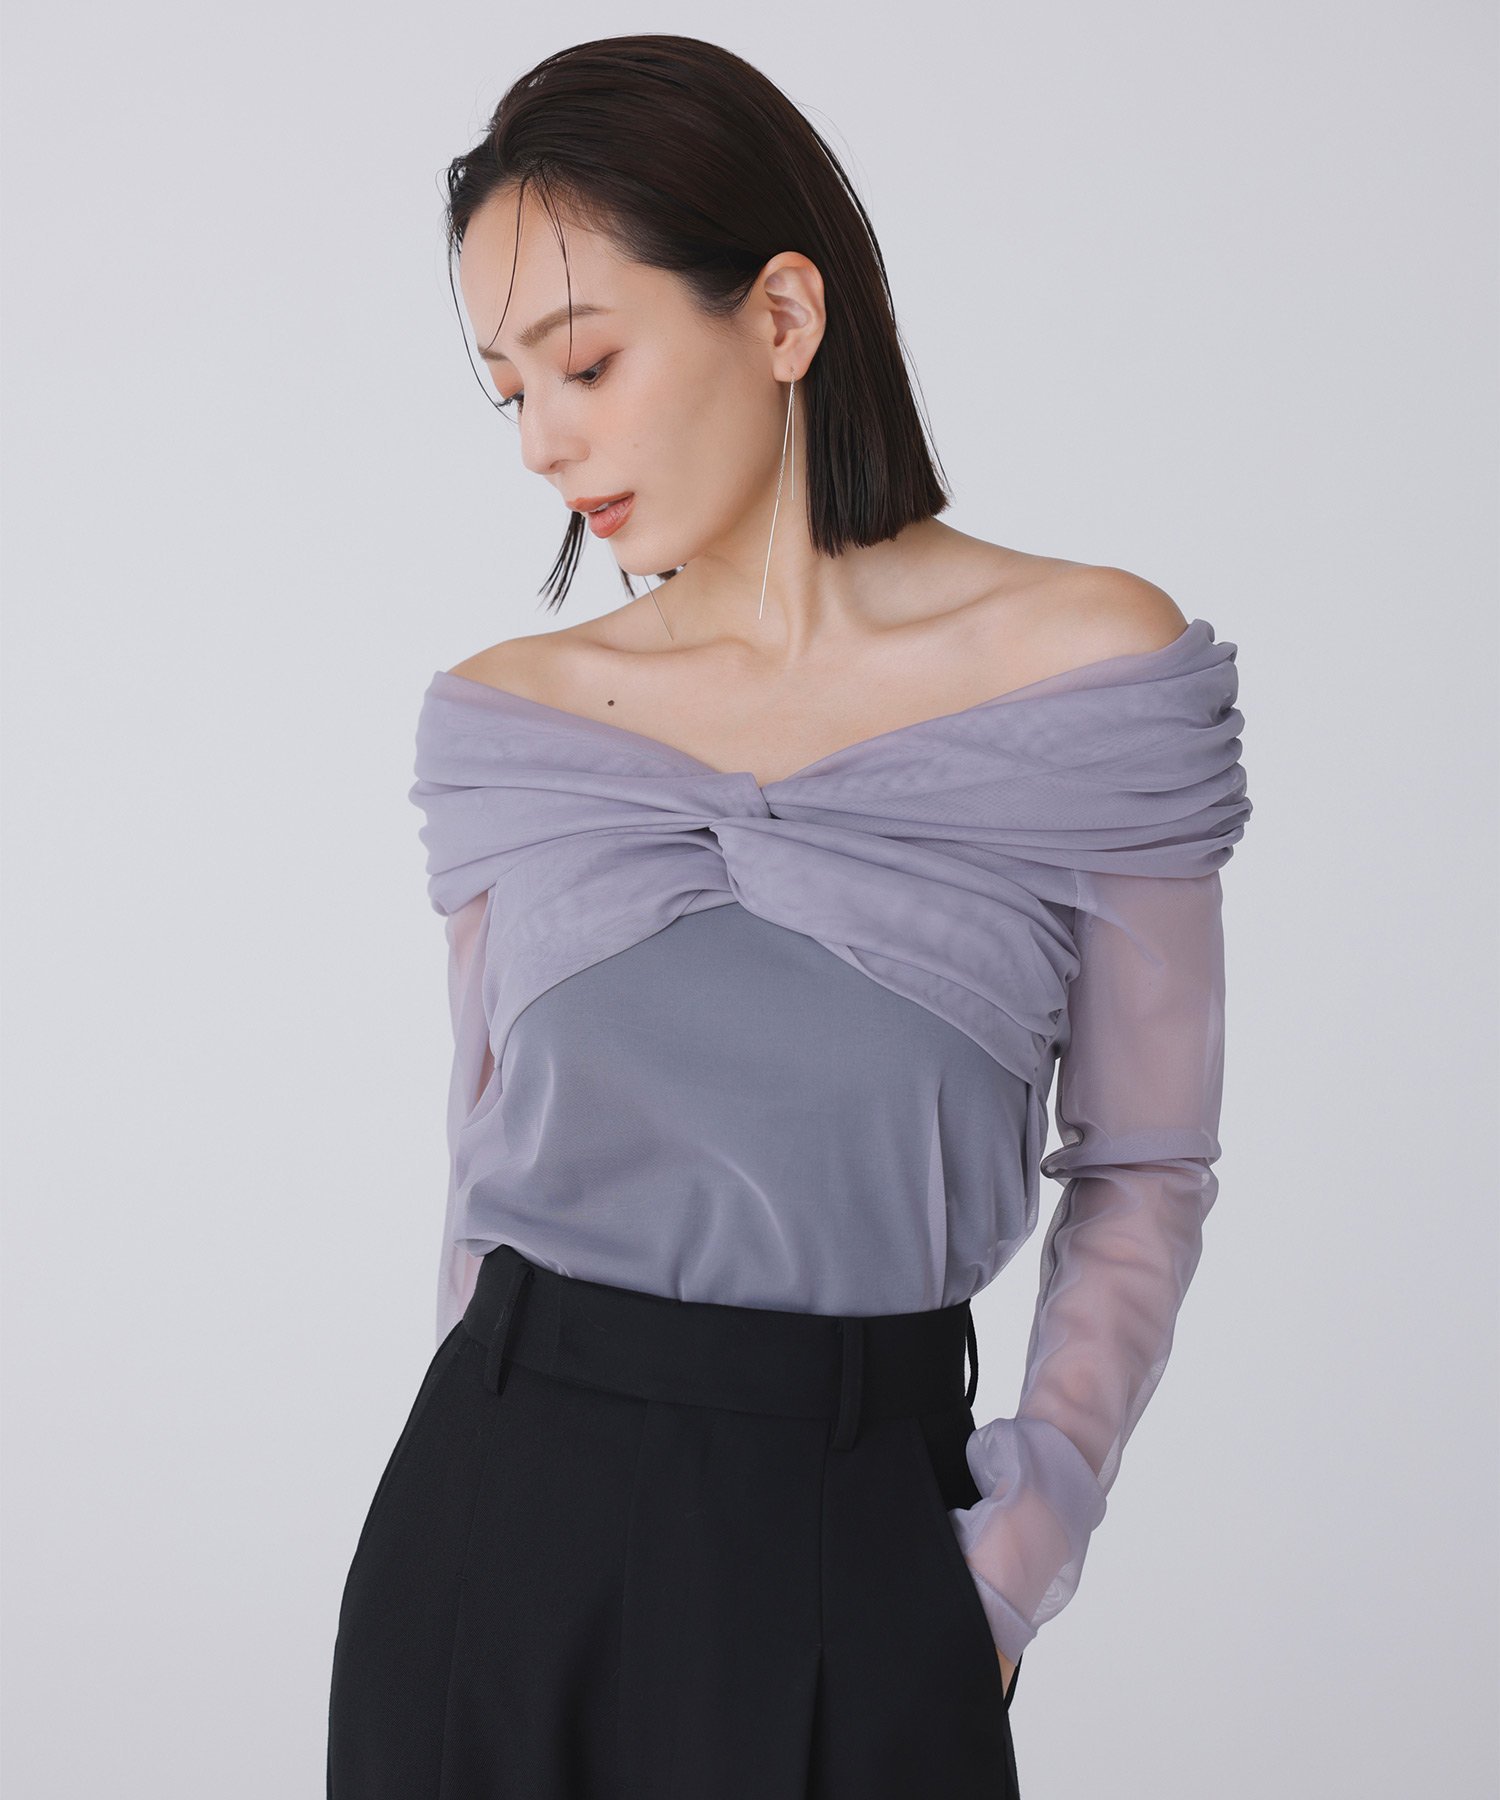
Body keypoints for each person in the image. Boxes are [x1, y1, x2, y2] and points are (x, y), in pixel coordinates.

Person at [326, 33, 1252, 1800]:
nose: (543, 443)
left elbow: (1145, 1167)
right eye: (509, 393)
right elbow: (481, 1166)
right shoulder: (514, 724)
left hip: (859, 1533)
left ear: (780, 314)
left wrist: (1010, 1567)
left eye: (586, 362)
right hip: (494, 1529)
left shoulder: (1093, 679)